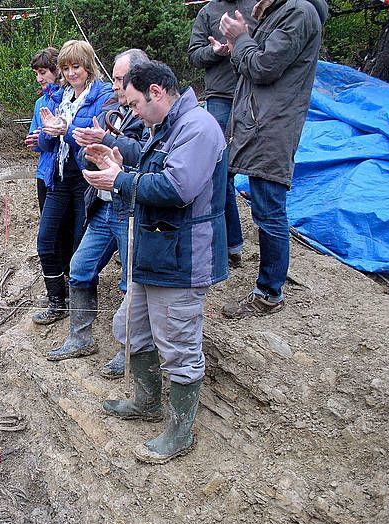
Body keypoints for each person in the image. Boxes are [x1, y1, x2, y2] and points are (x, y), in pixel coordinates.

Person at [83, 61, 226, 464]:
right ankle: (147, 403)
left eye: (134, 104)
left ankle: (180, 434)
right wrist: (119, 166)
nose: (132, 114)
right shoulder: (165, 127)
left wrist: (119, 181)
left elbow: (177, 188)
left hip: (181, 257)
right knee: (130, 329)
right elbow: (152, 171)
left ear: (157, 92)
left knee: (179, 346)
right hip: (155, 249)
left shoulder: (197, 128)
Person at [219, 0, 328, 317]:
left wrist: (241, 38)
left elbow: (264, 68)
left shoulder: (299, 12)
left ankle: (269, 293)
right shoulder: (283, 12)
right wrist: (237, 45)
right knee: (265, 208)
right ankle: (266, 283)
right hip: (262, 122)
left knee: (268, 211)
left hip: (271, 126)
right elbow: (257, 62)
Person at [45, 48, 149, 373]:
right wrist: (87, 144)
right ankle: (81, 338)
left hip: (131, 207)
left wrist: (106, 140)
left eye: (121, 80)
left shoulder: (150, 114)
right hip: (103, 208)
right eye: (115, 79)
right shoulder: (111, 107)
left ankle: (128, 350)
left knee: (130, 282)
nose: (116, 86)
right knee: (79, 267)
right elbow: (90, 153)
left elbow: (146, 157)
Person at [32, 39, 113, 325]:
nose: (71, 73)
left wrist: (64, 129)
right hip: (59, 176)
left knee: (80, 246)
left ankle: (82, 313)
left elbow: (94, 130)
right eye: (65, 68)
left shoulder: (102, 94)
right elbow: (44, 141)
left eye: (76, 66)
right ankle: (57, 300)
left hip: (87, 179)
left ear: (88, 66)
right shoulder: (61, 96)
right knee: (45, 239)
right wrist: (49, 131)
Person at [188, 0, 256, 268]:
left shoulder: (258, 6)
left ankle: (238, 245)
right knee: (218, 171)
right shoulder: (208, 12)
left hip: (253, 92)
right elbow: (194, 55)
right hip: (220, 98)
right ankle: (229, 245)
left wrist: (243, 41)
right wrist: (215, 52)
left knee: (255, 172)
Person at [24, 47, 74, 291]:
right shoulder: (40, 103)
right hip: (45, 174)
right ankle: (58, 284)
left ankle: (70, 274)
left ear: (56, 71)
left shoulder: (69, 99)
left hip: (68, 174)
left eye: (43, 72)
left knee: (68, 229)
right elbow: (37, 140)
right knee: (49, 230)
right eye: (36, 73)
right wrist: (36, 139)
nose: (39, 78)